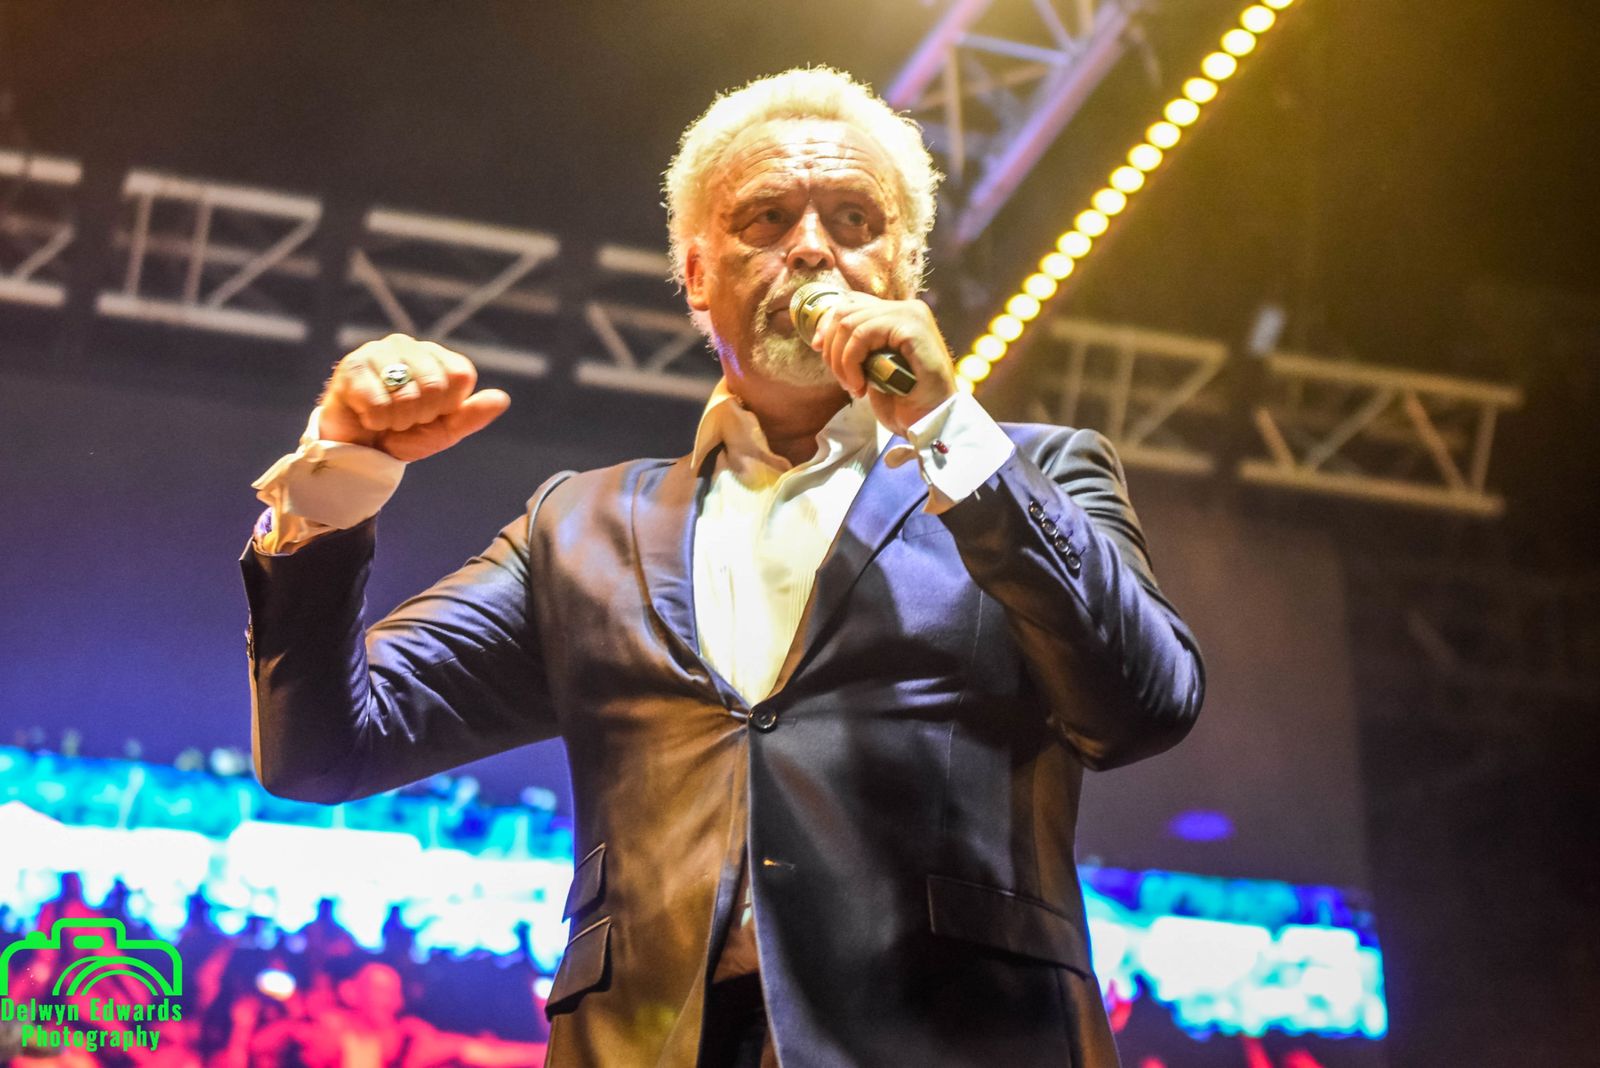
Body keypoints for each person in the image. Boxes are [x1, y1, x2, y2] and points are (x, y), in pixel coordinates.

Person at [241, 67, 1205, 1068]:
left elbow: (1142, 705)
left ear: (904, 267)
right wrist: (337, 475)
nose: (813, 247)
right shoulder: (578, 526)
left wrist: (950, 431)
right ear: (698, 276)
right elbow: (323, 750)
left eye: (854, 218)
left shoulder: (1030, 472)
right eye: (766, 218)